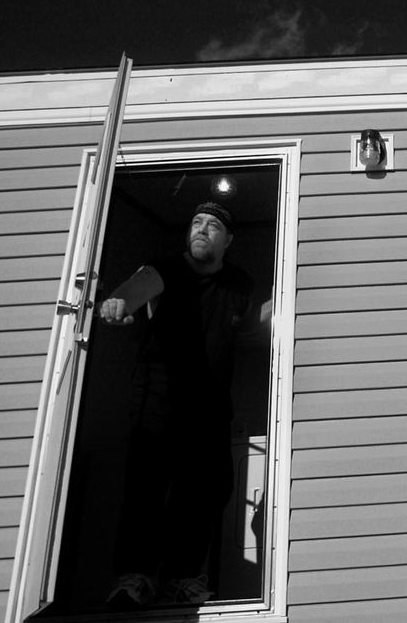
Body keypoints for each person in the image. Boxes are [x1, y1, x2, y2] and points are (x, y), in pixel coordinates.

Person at [100, 202, 253, 608]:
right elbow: (131, 293)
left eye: (214, 225)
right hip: (159, 401)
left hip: (210, 408)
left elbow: (258, 321)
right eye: (197, 222)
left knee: (202, 493)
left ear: (229, 240)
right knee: (146, 489)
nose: (202, 229)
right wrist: (118, 304)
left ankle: (181, 579)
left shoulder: (240, 284)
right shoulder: (162, 270)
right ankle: (134, 578)